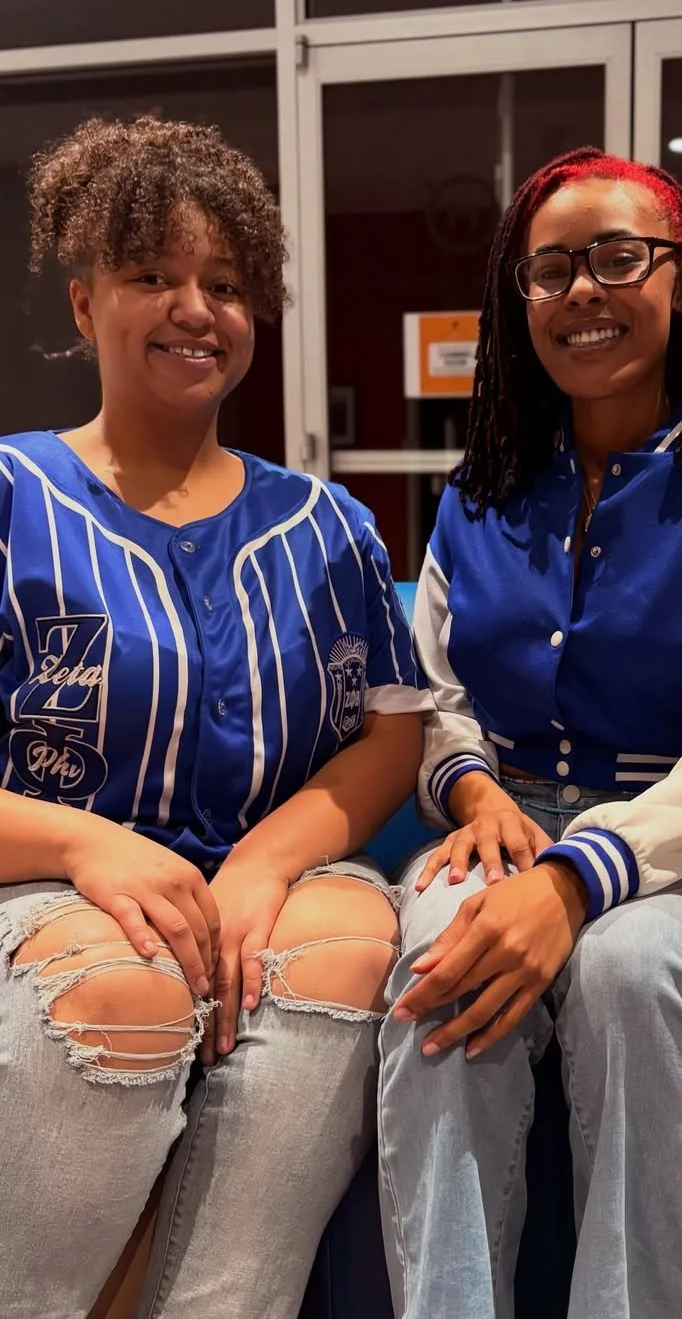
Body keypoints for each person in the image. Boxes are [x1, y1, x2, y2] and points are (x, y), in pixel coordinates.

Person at [377, 147, 682, 1319]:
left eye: (621, 257)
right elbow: (434, 694)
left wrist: (582, 880)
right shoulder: (476, 484)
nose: (584, 290)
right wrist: (474, 796)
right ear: (517, 301)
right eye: (551, 270)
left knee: (633, 968)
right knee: (444, 965)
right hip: (499, 824)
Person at [0, 116, 431, 1319]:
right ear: (84, 305)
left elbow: (389, 735)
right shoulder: (10, 496)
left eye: (225, 284)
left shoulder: (329, 526)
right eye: (153, 275)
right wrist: (90, 846)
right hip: (39, 884)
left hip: (271, 874)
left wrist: (261, 861)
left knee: (350, 942)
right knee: (128, 983)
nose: (196, 307)